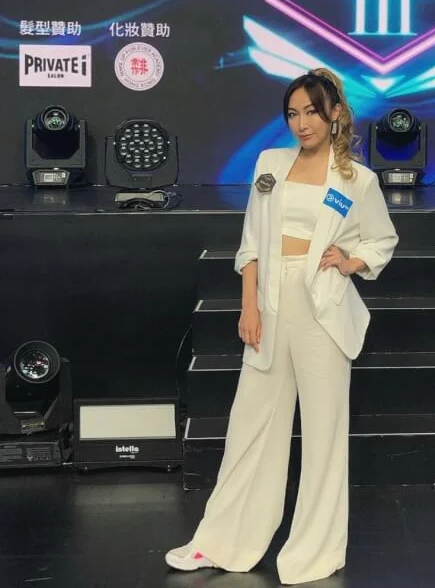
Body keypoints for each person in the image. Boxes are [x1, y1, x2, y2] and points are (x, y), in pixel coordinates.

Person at [165, 68, 398, 584]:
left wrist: (350, 261)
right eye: (293, 114)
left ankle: (314, 551)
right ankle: (220, 542)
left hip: (323, 307)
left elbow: (382, 240)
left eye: (312, 111)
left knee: (323, 433)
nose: (302, 123)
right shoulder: (270, 164)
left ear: (335, 113)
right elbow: (251, 241)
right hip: (270, 303)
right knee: (250, 425)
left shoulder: (358, 180)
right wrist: (248, 307)